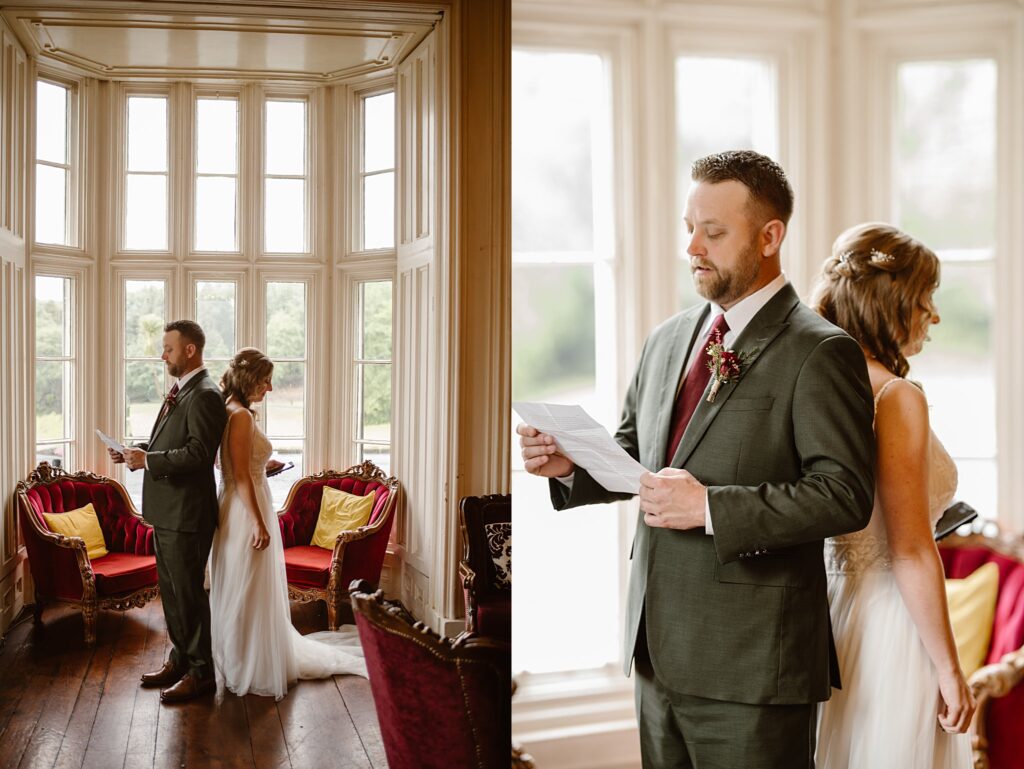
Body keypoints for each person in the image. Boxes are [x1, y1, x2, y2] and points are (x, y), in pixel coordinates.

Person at [518, 150, 876, 768]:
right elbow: (634, 453)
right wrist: (570, 467)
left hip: (754, 666)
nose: (694, 247)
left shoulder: (821, 351)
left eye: (713, 233)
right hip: (655, 650)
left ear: (770, 236)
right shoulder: (667, 338)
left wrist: (709, 507)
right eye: (690, 229)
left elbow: (844, 494)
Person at [812, 223, 975, 767]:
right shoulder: (895, 395)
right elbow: (909, 549)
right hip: (892, 625)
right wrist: (951, 670)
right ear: (892, 302)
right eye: (926, 299)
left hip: (828, 620)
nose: (934, 316)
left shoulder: (814, 382)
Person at [210, 347, 366, 700]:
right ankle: (250, 663)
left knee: (244, 586)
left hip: (239, 503)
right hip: (245, 509)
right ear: (251, 379)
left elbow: (227, 467)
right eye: (266, 381)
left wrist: (261, 467)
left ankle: (245, 657)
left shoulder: (230, 410)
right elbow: (239, 476)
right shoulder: (241, 417)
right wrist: (259, 523)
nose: (270, 389)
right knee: (248, 586)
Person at [109, 319, 227, 703]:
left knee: (189, 595)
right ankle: (180, 660)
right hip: (168, 512)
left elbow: (198, 454)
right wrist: (135, 451)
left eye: (169, 349)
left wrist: (149, 460)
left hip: (188, 515)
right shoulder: (182, 390)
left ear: (190, 350)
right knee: (172, 595)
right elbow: (169, 442)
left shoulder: (206, 394)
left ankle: (201, 674)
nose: (163, 355)